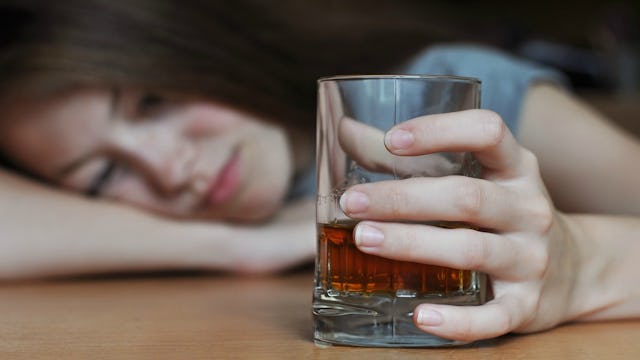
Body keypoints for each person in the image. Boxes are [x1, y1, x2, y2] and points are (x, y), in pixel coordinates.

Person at [1, 0, 639, 343]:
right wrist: (240, 245)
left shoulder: (455, 98)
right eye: (103, 176)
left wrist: (579, 259)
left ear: (200, 49)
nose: (171, 170)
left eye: (154, 102)